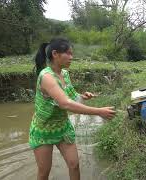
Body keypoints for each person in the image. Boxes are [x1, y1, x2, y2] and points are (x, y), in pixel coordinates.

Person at [29, 38, 116, 180]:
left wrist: (83, 96)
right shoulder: (46, 77)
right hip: (43, 130)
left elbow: (71, 97)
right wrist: (99, 111)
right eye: (68, 53)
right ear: (55, 54)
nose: (71, 57)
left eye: (72, 54)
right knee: (44, 172)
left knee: (74, 164)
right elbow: (65, 104)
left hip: (62, 127)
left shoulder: (64, 73)